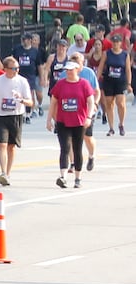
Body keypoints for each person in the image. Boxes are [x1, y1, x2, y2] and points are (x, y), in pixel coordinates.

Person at [48, 60, 97, 188]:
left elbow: (90, 101)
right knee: (64, 148)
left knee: (77, 149)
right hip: (63, 121)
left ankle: (78, 178)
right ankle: (63, 176)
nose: (69, 72)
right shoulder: (60, 84)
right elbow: (53, 102)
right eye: (67, 70)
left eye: (71, 69)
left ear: (77, 70)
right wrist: (49, 120)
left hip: (79, 122)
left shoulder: (84, 84)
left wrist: (88, 117)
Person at [0, 55, 34, 186]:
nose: (16, 71)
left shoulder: (22, 81)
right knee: (2, 144)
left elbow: (30, 102)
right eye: (13, 68)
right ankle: (2, 172)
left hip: (16, 116)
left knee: (11, 147)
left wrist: (22, 100)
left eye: (17, 68)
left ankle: (7, 173)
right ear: (6, 69)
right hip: (0, 116)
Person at [100, 31, 130, 136]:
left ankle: (121, 124)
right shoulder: (106, 53)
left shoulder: (125, 54)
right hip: (109, 81)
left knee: (121, 103)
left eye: (117, 42)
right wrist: (97, 78)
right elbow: (101, 67)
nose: (115, 44)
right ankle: (111, 127)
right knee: (109, 103)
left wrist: (129, 84)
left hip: (121, 81)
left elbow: (127, 70)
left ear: (121, 43)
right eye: (114, 42)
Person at [15, 32, 46, 115]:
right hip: (20, 75)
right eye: (23, 39)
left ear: (29, 40)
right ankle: (28, 111)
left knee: (35, 93)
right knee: (24, 94)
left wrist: (42, 78)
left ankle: (38, 105)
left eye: (25, 39)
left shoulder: (35, 51)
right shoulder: (17, 49)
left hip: (32, 75)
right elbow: (13, 61)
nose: (24, 41)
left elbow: (39, 65)